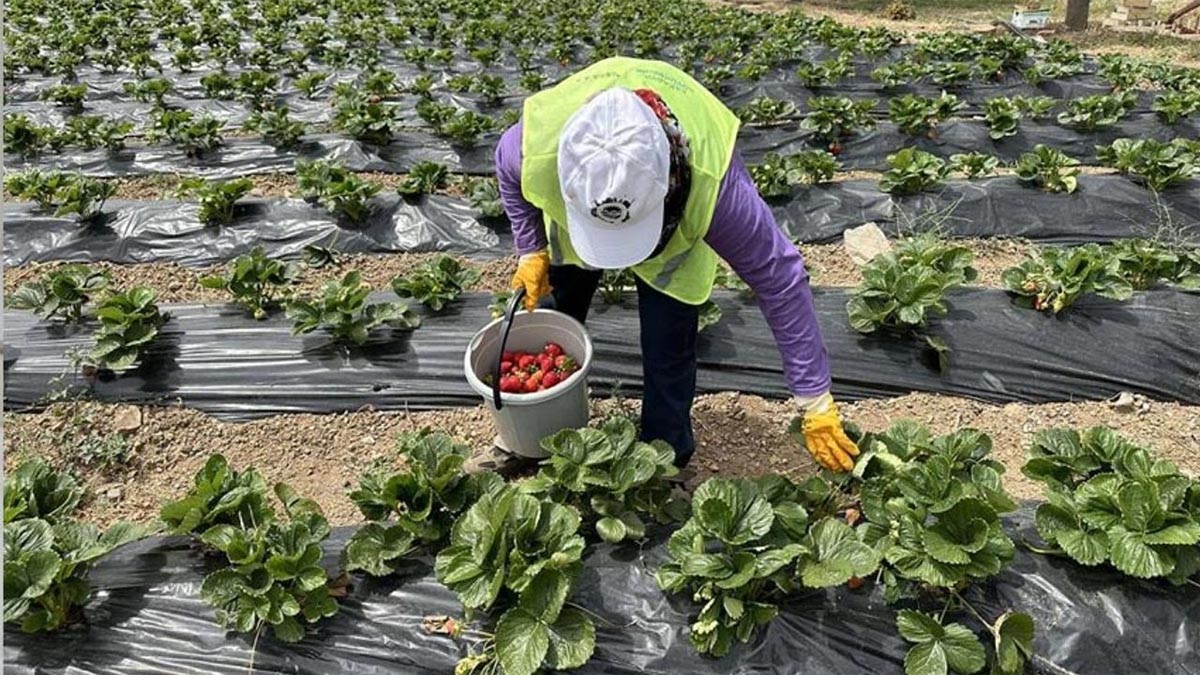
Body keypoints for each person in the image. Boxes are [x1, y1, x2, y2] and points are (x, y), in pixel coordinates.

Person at [477, 56, 859, 475]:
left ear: (669, 182)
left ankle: (664, 459)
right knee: (550, 317)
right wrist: (531, 249)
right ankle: (532, 434)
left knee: (669, 345)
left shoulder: (714, 185)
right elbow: (506, 169)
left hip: (674, 235)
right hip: (575, 222)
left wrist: (814, 399)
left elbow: (780, 278)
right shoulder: (537, 146)